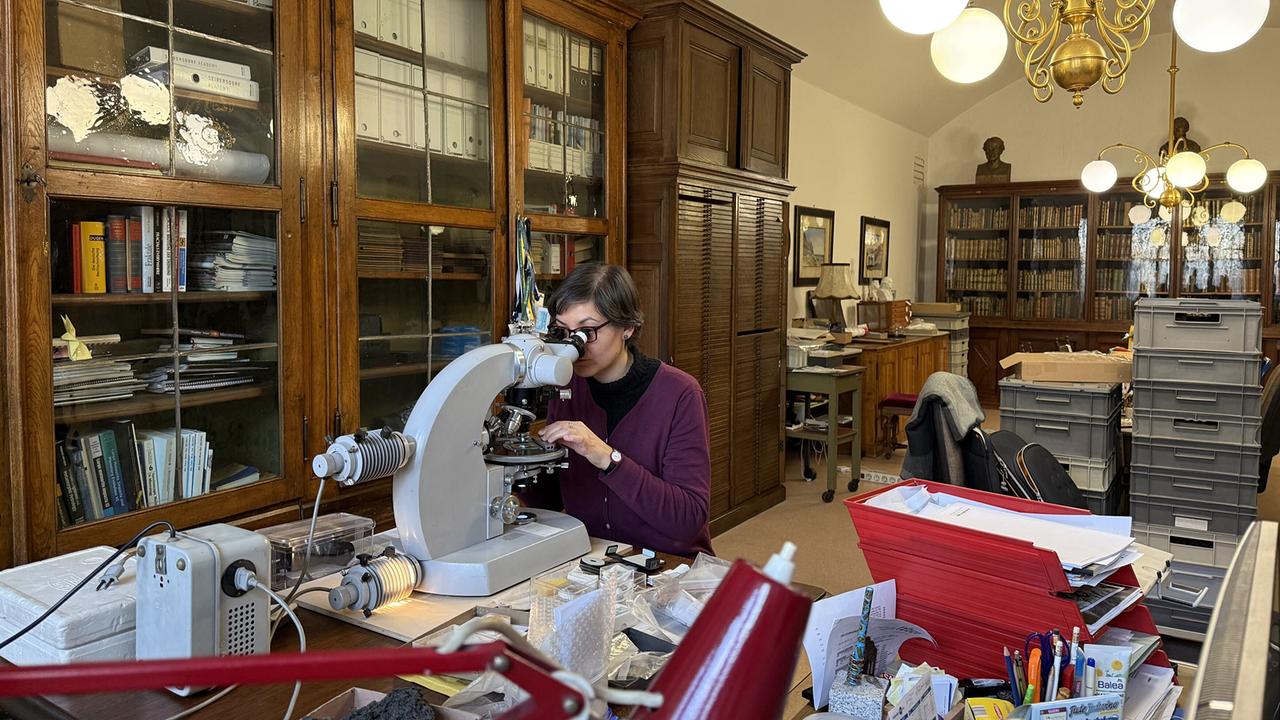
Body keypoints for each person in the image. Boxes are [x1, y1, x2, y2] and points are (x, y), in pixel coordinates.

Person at [524, 263, 714, 557]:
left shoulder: (680, 394)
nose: (575, 348)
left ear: (628, 327)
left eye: (587, 332)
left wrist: (606, 458)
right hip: (591, 560)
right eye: (563, 332)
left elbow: (687, 520)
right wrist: (517, 464)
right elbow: (549, 501)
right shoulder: (565, 386)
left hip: (667, 565)